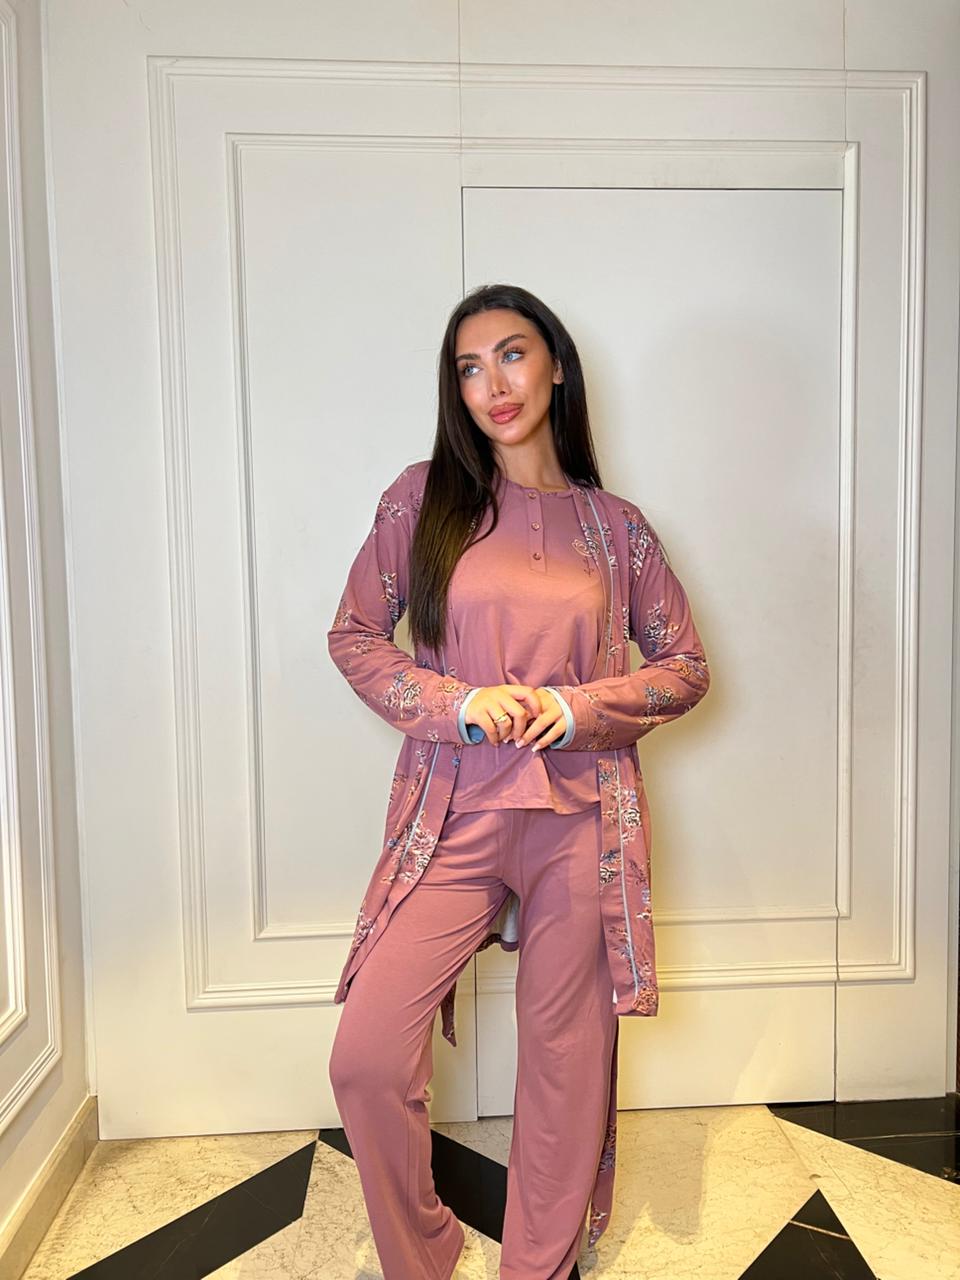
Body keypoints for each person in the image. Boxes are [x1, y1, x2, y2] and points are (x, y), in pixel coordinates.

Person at [327, 282, 711, 1279]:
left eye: (510, 354)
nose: (491, 382)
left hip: (582, 817)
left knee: (563, 1065)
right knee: (367, 1057)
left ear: (555, 366)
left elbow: (684, 665)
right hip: (451, 809)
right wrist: (455, 701)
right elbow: (356, 636)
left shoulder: (614, 525)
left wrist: (582, 708)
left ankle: (537, 1265)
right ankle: (427, 1252)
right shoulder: (422, 499)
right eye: (467, 365)